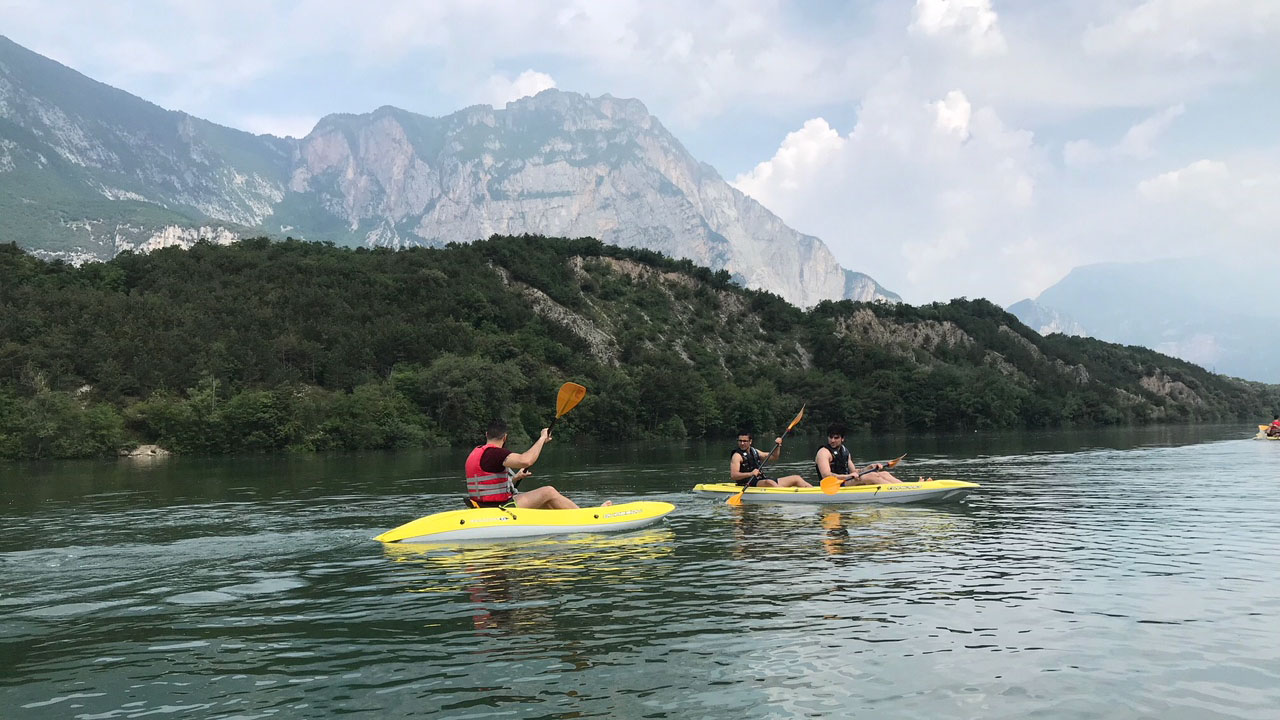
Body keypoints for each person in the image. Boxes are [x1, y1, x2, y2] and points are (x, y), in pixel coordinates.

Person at [464, 419, 609, 509]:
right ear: (505, 437)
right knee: (548, 491)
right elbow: (526, 460)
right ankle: (587, 517)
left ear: (486, 435)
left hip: (482, 506)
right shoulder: (495, 453)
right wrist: (542, 439)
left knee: (547, 501)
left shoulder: (476, 453)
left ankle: (567, 518)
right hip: (499, 507)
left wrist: (515, 478)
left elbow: (487, 486)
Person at [814, 423, 903, 485]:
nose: (832, 440)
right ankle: (896, 491)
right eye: (830, 437)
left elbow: (854, 472)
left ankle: (905, 487)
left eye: (836, 437)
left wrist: (870, 467)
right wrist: (847, 476)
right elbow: (826, 475)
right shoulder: (823, 452)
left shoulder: (845, 451)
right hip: (833, 485)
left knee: (884, 474)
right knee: (871, 476)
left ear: (842, 439)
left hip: (846, 481)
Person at [730, 430, 812, 488]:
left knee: (796, 478)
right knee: (770, 482)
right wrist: (750, 474)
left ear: (750, 441)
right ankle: (785, 494)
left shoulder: (755, 451)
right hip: (747, 483)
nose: (742, 443)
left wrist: (778, 446)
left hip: (761, 480)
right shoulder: (737, 456)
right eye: (740, 441)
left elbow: (774, 457)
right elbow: (734, 475)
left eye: (745, 441)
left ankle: (815, 492)